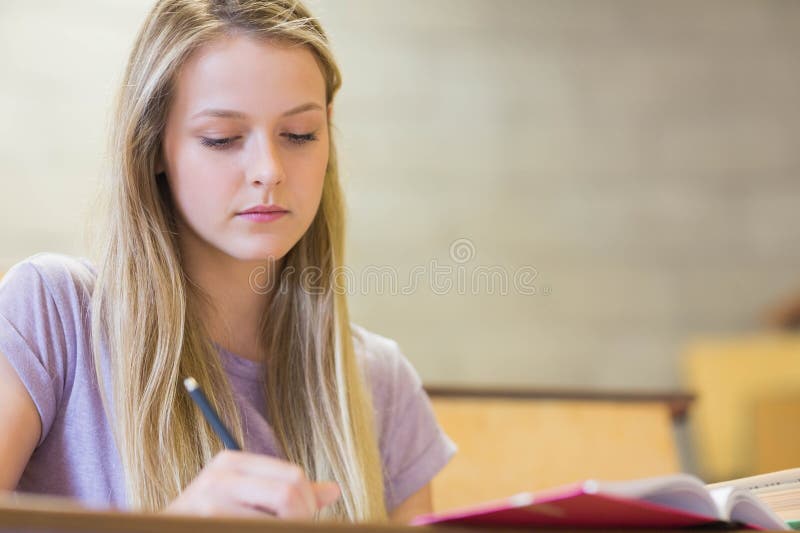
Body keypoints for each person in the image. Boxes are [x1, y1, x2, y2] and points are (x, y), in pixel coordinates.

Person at [0, 0, 456, 524]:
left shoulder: (381, 383)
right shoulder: (50, 313)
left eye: (300, 134)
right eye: (222, 139)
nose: (269, 170)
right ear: (152, 147)